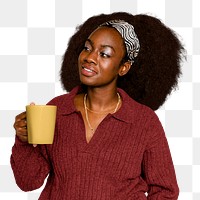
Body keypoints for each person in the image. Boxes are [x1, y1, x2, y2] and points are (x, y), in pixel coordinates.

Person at [11, 12, 185, 199]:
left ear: (123, 67)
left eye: (104, 54)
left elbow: (165, 191)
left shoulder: (144, 121)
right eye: (87, 48)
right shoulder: (58, 110)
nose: (89, 57)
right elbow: (28, 182)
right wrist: (24, 140)